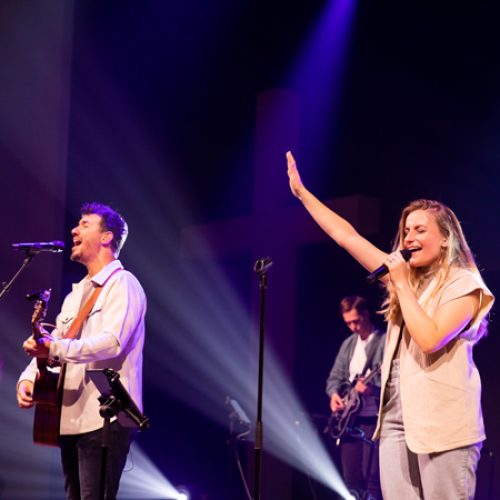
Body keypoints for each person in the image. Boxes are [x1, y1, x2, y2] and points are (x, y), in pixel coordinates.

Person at [287, 151, 494, 500]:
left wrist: (400, 283)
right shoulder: (405, 280)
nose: (409, 237)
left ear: (445, 238)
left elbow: (429, 339)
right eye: (406, 230)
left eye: (420, 229)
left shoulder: (464, 284)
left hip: (443, 419)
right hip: (396, 411)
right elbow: (347, 237)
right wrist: (303, 194)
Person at [17, 202, 146, 500]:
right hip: (70, 418)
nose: (74, 229)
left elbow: (111, 342)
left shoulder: (124, 284)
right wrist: (27, 378)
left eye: (85, 223)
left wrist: (55, 346)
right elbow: (54, 340)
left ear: (106, 237)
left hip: (104, 419)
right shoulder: (76, 295)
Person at [326, 295, 384, 500]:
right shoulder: (349, 344)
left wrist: (372, 391)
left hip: (374, 420)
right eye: (348, 323)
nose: (353, 327)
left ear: (366, 315)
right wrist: (334, 395)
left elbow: (394, 384)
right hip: (350, 420)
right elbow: (334, 377)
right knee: (350, 478)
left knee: (373, 479)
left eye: (356, 321)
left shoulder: (383, 342)